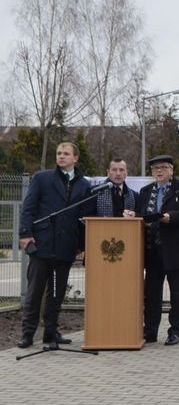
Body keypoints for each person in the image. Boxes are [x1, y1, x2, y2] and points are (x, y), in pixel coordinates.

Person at [17, 142, 94, 348]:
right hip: (42, 243)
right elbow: (29, 207)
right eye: (59, 153)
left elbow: (83, 218)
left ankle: (51, 333)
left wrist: (81, 245)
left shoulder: (84, 184)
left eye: (66, 154)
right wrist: (25, 234)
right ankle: (27, 334)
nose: (61, 157)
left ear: (75, 158)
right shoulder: (42, 178)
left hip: (65, 246)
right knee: (35, 292)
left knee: (56, 292)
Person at [138, 154, 179, 346]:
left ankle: (175, 331)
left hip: (176, 251)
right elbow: (142, 214)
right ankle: (149, 331)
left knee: (178, 294)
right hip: (152, 251)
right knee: (151, 295)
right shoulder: (145, 191)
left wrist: (171, 217)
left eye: (163, 167)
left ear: (171, 170)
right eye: (155, 169)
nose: (159, 171)